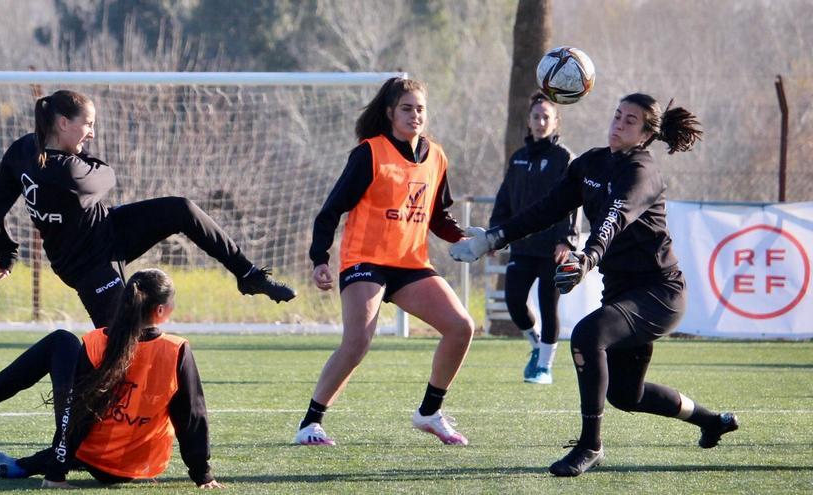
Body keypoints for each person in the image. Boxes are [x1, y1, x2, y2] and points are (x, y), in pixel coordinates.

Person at [450, 94, 739, 476]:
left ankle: (591, 446)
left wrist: (586, 259)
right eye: (617, 115)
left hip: (659, 293)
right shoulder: (591, 162)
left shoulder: (642, 172)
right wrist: (494, 236)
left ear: (646, 134)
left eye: (630, 120)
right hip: (621, 291)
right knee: (625, 394)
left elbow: (612, 219)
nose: (618, 124)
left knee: (587, 336)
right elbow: (546, 209)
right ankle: (711, 421)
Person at [0, 90, 295, 328]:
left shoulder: (23, 149)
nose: (91, 132)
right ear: (63, 123)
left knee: (181, 209)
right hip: (87, 263)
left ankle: (248, 274)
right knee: (121, 340)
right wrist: (8, 249)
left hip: (109, 229)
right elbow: (108, 176)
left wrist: (6, 250)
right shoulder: (70, 172)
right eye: (88, 124)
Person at [294, 77, 475, 447]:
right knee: (357, 341)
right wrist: (319, 259)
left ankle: (429, 412)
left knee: (462, 327)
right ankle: (310, 424)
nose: (415, 115)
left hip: (410, 264)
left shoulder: (437, 156)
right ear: (390, 112)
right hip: (366, 261)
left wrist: (466, 239)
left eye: (420, 108)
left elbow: (437, 216)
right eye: (407, 108)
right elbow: (330, 211)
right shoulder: (369, 153)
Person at [0, 268, 223, 488]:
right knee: (89, 417)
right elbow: (192, 416)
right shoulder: (177, 349)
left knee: (61, 342)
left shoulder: (97, 342)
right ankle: (24, 464)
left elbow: (77, 414)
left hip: (91, 457)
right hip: (142, 466)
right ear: (161, 311)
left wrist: (55, 474)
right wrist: (203, 473)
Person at [489, 91, 579, 385]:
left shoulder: (564, 158)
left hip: (553, 248)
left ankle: (544, 367)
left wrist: (566, 239)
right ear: (528, 122)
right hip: (523, 246)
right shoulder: (518, 159)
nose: (541, 122)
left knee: (547, 303)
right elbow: (505, 200)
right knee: (514, 301)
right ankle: (536, 344)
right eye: (536, 117)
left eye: (546, 117)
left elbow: (573, 201)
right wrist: (494, 236)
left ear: (556, 122)